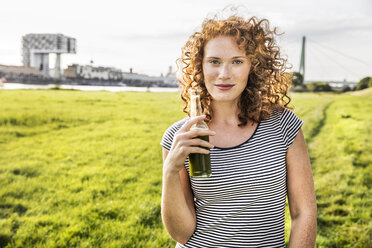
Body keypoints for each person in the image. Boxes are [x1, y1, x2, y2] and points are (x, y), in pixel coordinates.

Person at [160, 14, 317, 248]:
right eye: (214, 61)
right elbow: (182, 233)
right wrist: (170, 170)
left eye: (236, 61)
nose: (224, 74)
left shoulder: (283, 125)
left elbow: (303, 212)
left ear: (253, 67)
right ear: (200, 67)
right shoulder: (179, 136)